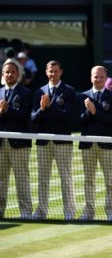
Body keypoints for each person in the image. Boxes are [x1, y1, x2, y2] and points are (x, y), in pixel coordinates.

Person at [31, 60, 76, 220]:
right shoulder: (38, 92)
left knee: (66, 178)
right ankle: (41, 211)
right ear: (46, 72)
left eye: (56, 71)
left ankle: (69, 212)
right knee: (43, 178)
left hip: (62, 141)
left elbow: (67, 115)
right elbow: (33, 118)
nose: (53, 74)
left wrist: (50, 106)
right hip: (43, 141)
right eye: (50, 71)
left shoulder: (69, 91)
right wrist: (42, 109)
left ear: (61, 72)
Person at [78, 66, 112, 221]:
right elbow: (80, 121)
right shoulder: (83, 96)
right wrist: (89, 111)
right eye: (96, 76)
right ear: (91, 78)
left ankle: (111, 213)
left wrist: (94, 111)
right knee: (88, 180)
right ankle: (88, 211)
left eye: (101, 77)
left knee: (110, 180)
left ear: (106, 78)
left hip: (107, 144)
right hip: (87, 144)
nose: (98, 79)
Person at [0, 60, 33, 220]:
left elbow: (25, 116)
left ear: (17, 75)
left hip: (19, 143)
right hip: (1, 143)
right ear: (2, 75)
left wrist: (8, 109)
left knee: (22, 178)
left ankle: (26, 212)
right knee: (1, 180)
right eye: (7, 72)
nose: (10, 75)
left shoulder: (26, 93)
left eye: (12, 72)